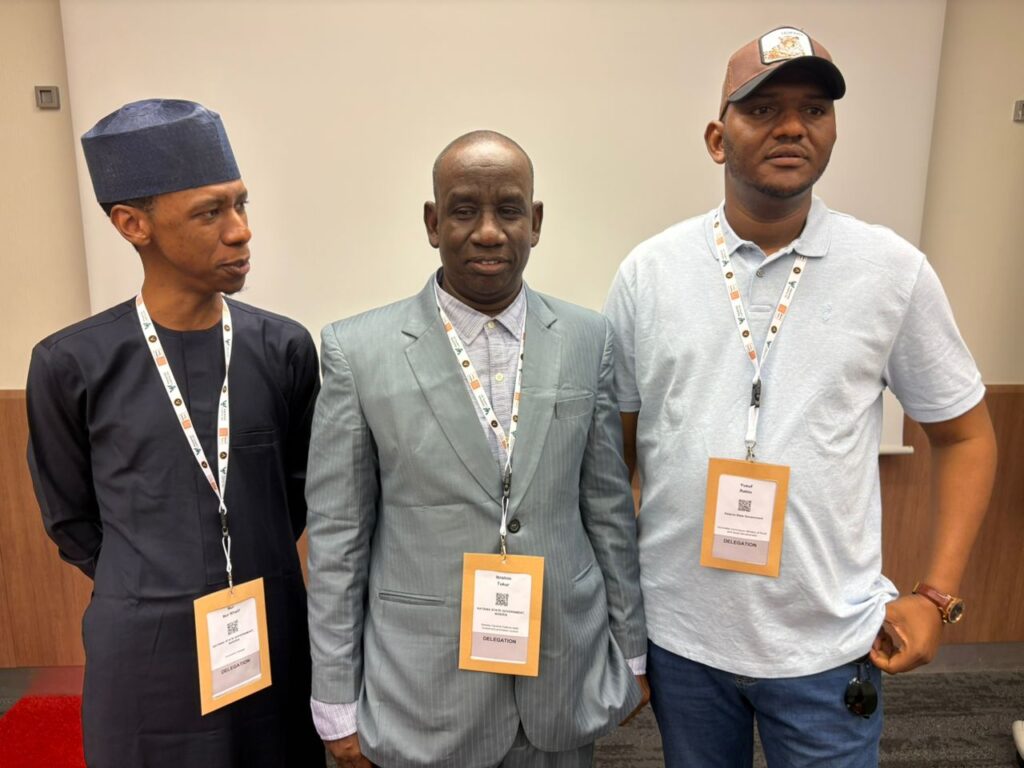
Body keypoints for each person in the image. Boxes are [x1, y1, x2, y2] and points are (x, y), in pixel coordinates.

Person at [602, 27, 998, 768]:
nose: (792, 127)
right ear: (718, 138)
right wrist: (623, 623)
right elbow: (615, 463)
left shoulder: (892, 271)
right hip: (683, 640)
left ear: (833, 131)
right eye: (764, 109)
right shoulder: (649, 274)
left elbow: (967, 436)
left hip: (828, 643)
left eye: (814, 110)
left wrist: (936, 595)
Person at [306, 130, 647, 768]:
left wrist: (630, 652)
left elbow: (607, 508)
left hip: (562, 672)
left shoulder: (587, 338)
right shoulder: (357, 351)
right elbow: (338, 539)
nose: (488, 232)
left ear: (535, 222)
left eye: (508, 210)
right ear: (433, 223)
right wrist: (334, 696)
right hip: (421, 692)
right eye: (464, 210)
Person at [26, 99, 324, 767]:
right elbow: (71, 517)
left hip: (269, 635)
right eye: (210, 212)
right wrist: (151, 582)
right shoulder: (72, 364)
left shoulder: (282, 348)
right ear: (133, 224)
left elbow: (297, 493)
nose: (241, 231)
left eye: (241, 205)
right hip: (145, 654)